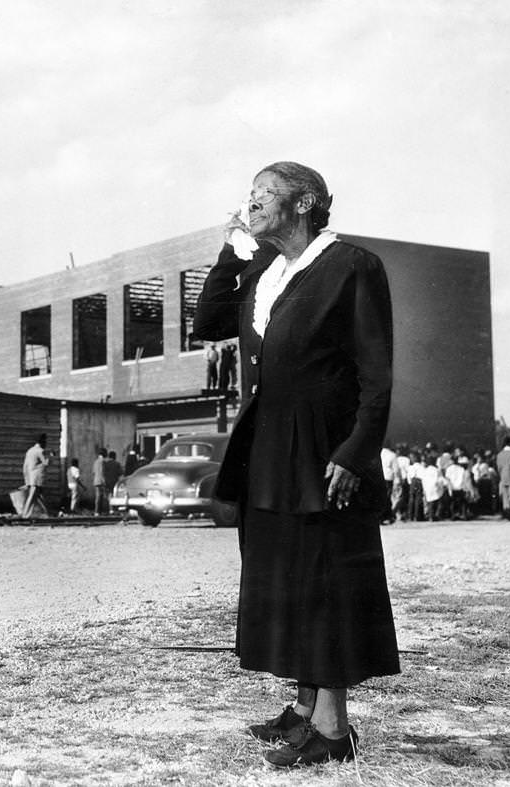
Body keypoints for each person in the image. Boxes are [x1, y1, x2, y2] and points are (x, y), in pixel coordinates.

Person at [193, 161, 399, 767]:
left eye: (264, 196)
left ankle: (333, 733)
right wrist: (233, 252)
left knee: (323, 581)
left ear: (305, 203)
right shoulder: (265, 270)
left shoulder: (351, 266)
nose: (250, 204)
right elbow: (207, 323)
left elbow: (377, 373)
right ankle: (306, 710)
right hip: (267, 447)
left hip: (322, 449)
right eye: (248, 197)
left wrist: (356, 451)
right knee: (285, 579)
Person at [22, 434, 51, 518]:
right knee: (32, 497)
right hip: (38, 478)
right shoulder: (40, 451)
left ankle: (47, 514)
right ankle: (25, 515)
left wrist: (27, 479)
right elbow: (46, 463)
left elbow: (25, 466)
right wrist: (51, 456)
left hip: (31, 478)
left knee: (41, 497)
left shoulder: (30, 451)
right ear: (42, 442)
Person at [91, 448, 108, 515]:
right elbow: (102, 472)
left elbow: (93, 472)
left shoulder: (96, 461)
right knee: (102, 497)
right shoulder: (102, 462)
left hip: (96, 480)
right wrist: (105, 481)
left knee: (98, 496)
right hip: (101, 481)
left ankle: (97, 511)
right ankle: (98, 511)